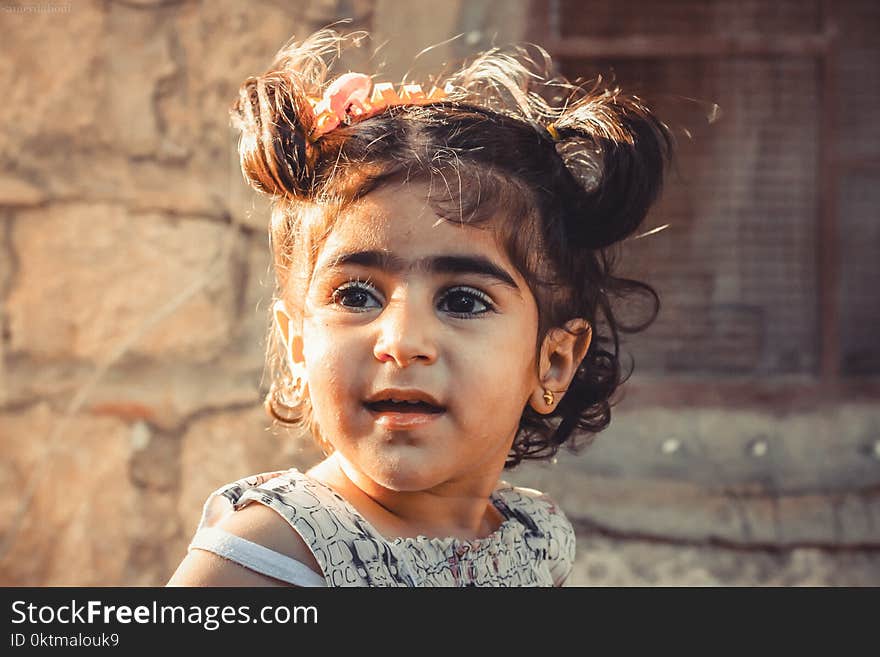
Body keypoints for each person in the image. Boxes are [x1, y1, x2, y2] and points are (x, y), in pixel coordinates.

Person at [167, 26, 673, 587]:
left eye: (462, 300)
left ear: (553, 360)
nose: (403, 340)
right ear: (297, 347)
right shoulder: (269, 553)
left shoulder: (534, 539)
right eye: (357, 296)